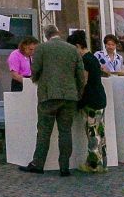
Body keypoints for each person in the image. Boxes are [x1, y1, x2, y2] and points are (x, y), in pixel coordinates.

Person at [25, 26, 85, 175]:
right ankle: (64, 167)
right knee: (65, 132)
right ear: (59, 33)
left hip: (48, 96)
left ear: (46, 35)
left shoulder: (41, 48)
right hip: (69, 97)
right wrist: (77, 93)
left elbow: (35, 69)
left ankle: (38, 164)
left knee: (44, 131)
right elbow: (80, 76)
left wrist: (37, 80)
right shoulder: (72, 49)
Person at [69, 29, 108, 172]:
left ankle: (93, 165)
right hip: (99, 98)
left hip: (91, 101)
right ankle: (102, 163)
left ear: (78, 46)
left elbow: (83, 82)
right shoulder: (93, 58)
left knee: (92, 133)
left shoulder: (85, 60)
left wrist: (79, 100)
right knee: (100, 131)